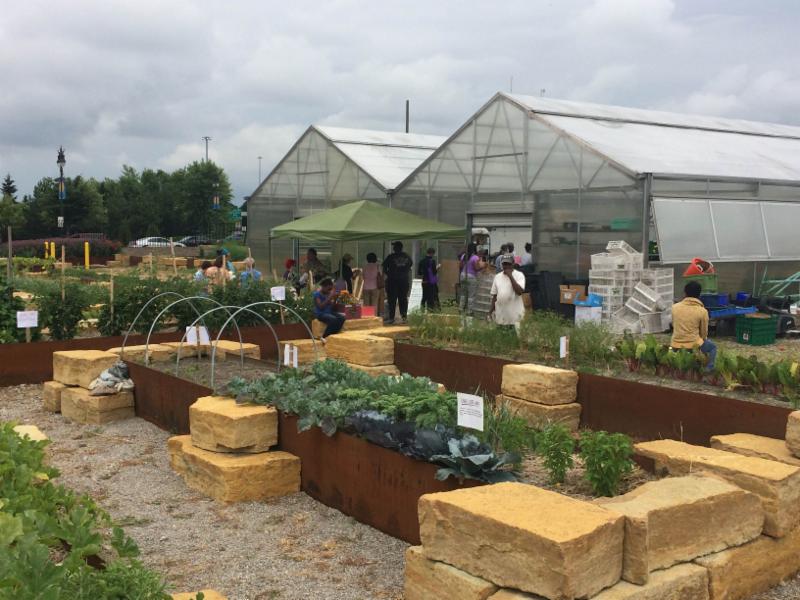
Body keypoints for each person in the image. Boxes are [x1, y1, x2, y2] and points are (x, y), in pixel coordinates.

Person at [671, 281, 716, 371]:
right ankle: (708, 369)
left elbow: (674, 325)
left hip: (675, 344)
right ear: (699, 295)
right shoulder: (702, 311)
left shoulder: (674, 307)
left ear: (685, 293)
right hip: (693, 345)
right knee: (712, 347)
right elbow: (704, 334)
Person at [489, 254, 526, 332]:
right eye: (504, 264)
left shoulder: (519, 275)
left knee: (514, 340)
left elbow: (519, 292)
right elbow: (495, 296)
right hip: (501, 316)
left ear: (513, 264)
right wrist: (490, 312)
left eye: (508, 264)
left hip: (514, 317)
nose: (506, 266)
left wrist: (510, 276)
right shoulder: (497, 277)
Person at [382, 241, 413, 324]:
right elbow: (410, 265)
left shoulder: (391, 257)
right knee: (403, 299)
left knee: (392, 299)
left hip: (393, 281)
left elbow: (384, 267)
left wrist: (389, 274)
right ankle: (404, 317)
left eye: (394, 246)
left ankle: (391, 318)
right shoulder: (407, 256)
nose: (393, 248)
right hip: (404, 281)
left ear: (396, 248)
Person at [460, 242, 484, 314]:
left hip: (463, 275)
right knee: (471, 294)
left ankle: (461, 308)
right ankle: (470, 311)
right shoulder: (475, 257)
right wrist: (483, 267)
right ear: (474, 249)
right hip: (471, 276)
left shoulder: (464, 256)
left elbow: (460, 266)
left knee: (463, 293)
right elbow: (476, 268)